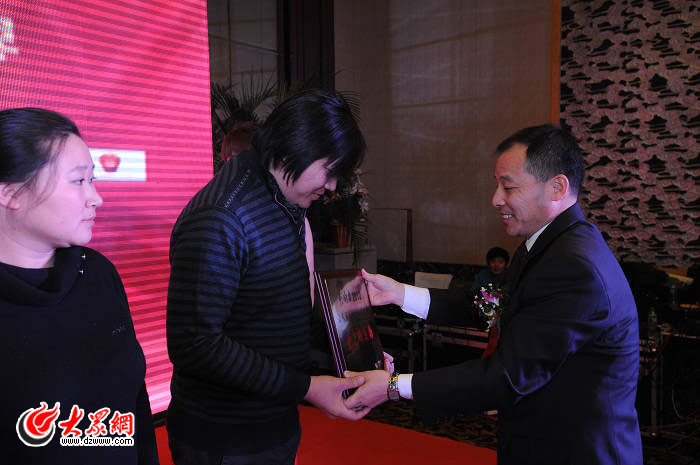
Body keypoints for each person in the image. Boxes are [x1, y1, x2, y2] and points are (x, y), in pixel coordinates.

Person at [345, 124, 643, 464]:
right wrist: (399, 294)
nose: (496, 199)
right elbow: (491, 305)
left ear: (557, 187)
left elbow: (508, 375)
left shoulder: (573, 266)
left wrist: (394, 385)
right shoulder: (549, 246)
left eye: (508, 187)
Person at [166, 89, 372, 465]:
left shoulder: (285, 198)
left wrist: (355, 355)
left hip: (273, 423)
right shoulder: (222, 216)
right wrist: (306, 387)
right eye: (329, 171)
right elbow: (194, 344)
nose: (331, 186)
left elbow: (277, 312)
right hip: (225, 438)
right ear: (296, 148)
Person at [0, 108, 158, 464]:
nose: (95, 197)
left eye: (92, 179)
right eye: (78, 181)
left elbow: (135, 406)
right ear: (10, 193)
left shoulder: (97, 273)